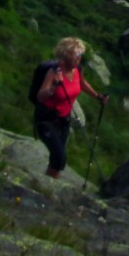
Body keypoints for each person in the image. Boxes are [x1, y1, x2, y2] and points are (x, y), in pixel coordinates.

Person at [35, 36, 108, 178]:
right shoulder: (53, 73)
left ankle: (49, 183)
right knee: (60, 157)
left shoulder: (77, 70)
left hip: (64, 120)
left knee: (58, 158)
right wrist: (54, 86)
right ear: (67, 56)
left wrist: (98, 96)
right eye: (77, 54)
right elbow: (40, 97)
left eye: (81, 54)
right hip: (47, 119)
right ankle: (47, 184)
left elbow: (82, 83)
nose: (80, 58)